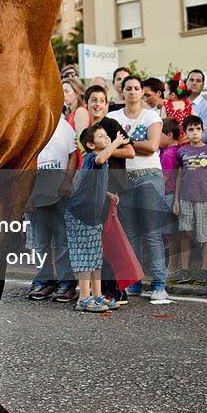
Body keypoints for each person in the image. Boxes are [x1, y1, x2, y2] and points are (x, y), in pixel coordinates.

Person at [108, 75, 169, 303]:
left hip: (149, 177)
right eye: (128, 88)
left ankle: (159, 284)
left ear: (142, 92)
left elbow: (152, 146)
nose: (132, 92)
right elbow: (106, 146)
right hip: (124, 180)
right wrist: (131, 145)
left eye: (136, 88)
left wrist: (122, 143)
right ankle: (134, 282)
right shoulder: (113, 116)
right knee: (131, 234)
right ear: (122, 92)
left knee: (152, 233)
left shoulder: (151, 116)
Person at [65, 124, 128, 312]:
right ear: (91, 145)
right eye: (102, 136)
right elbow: (101, 158)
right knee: (85, 257)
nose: (107, 138)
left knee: (95, 257)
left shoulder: (102, 161)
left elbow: (92, 183)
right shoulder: (92, 158)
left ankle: (97, 295)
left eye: (107, 135)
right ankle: (83, 298)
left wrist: (107, 194)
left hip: (92, 217)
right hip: (79, 215)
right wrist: (116, 143)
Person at [85, 84, 135, 303]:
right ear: (86, 104)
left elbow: (130, 151)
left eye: (101, 101)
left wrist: (108, 149)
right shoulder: (88, 129)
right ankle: (103, 291)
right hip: (96, 192)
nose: (97, 104)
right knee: (99, 243)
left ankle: (117, 291)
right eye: (93, 100)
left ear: (106, 104)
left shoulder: (110, 125)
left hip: (113, 188)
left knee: (113, 242)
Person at [25, 117, 78, 302]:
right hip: (36, 193)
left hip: (59, 193)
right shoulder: (28, 126)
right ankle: (43, 281)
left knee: (62, 240)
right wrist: (25, 196)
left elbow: (73, 153)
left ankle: (66, 283)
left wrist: (67, 181)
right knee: (41, 243)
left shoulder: (62, 125)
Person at [173, 115, 207, 282]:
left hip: (205, 199)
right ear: (185, 132)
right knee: (185, 232)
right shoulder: (181, 152)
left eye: (197, 129)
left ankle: (205, 268)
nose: (194, 133)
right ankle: (185, 268)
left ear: (203, 130)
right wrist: (176, 199)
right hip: (185, 198)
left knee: (205, 235)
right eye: (190, 130)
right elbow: (179, 176)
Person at [159, 118, 182, 278]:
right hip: (172, 195)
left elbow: (163, 178)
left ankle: (172, 266)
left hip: (168, 195)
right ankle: (173, 265)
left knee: (170, 234)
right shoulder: (176, 151)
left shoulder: (168, 154)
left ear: (168, 135)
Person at [185, 69, 207, 143]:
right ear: (186, 82)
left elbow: (203, 136)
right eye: (191, 80)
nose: (194, 83)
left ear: (203, 85)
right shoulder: (179, 102)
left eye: (198, 81)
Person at [163, 75, 193, 139]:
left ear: (172, 95)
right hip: (187, 136)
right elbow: (196, 118)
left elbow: (163, 122)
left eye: (165, 91)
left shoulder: (166, 106)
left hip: (172, 137)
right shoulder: (187, 105)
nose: (164, 93)